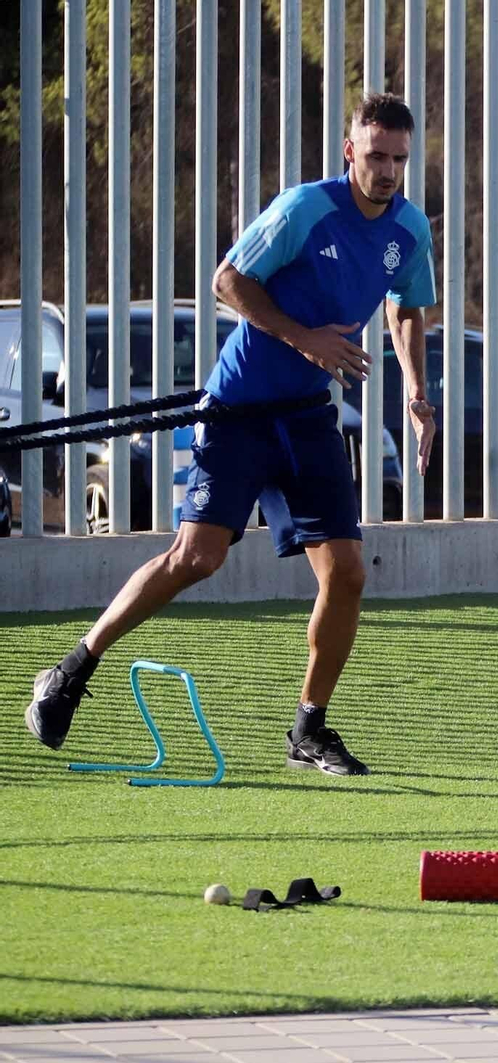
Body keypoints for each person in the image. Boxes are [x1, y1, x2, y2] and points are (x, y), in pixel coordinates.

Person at [25, 92, 437, 777]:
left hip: (308, 417)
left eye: (399, 158)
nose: (388, 171)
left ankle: (309, 728)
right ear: (349, 152)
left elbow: (406, 310)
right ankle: (70, 670)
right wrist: (305, 339)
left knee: (348, 573)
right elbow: (228, 280)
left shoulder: (410, 230)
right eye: (376, 157)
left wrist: (418, 391)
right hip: (240, 408)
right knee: (197, 558)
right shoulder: (306, 209)